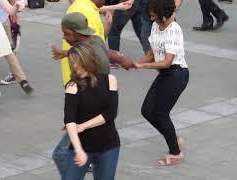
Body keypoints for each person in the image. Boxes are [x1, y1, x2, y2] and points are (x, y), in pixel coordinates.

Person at [51, 12, 132, 177]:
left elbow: (108, 111)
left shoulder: (94, 73)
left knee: (60, 153)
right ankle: (89, 161)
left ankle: (88, 161)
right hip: (89, 118)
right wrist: (65, 53)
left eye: (66, 33)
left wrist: (78, 123)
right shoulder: (95, 40)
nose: (64, 37)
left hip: (94, 119)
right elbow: (85, 52)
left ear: (77, 33)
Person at [132, 0, 188, 166]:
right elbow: (151, 53)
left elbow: (166, 62)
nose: (151, 17)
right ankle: (174, 139)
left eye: (154, 15)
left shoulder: (174, 30)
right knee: (147, 111)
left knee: (161, 114)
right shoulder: (156, 25)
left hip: (177, 74)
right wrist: (133, 63)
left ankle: (175, 153)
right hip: (166, 74)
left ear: (163, 15)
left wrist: (141, 65)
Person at [62, 42, 120, 180]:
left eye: (80, 65)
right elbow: (69, 120)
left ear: (89, 61)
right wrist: (78, 150)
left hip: (108, 145)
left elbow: (111, 113)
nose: (76, 70)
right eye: (73, 66)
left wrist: (83, 125)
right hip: (82, 145)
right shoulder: (73, 86)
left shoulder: (110, 80)